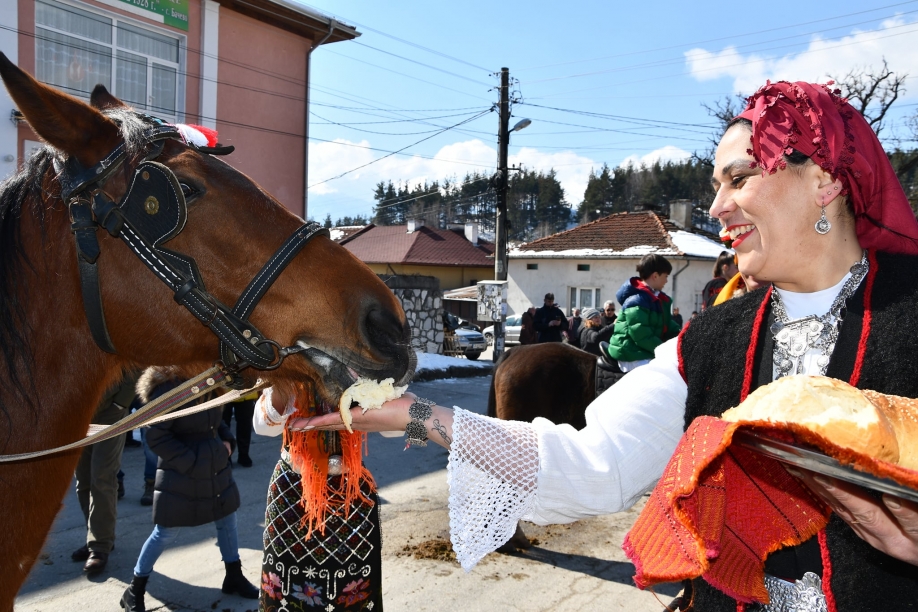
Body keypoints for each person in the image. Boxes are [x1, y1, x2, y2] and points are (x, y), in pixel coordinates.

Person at [293, 80, 918, 611]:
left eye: (741, 177)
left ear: (826, 181)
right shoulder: (717, 336)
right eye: (715, 183)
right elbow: (598, 465)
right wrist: (419, 416)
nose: (717, 206)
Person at [121, 368, 258, 612]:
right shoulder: (168, 388)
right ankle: (135, 589)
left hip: (215, 468)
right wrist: (192, 462)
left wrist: (227, 440)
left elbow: (218, 420)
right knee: (165, 532)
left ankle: (233, 576)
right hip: (182, 473)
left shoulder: (209, 379)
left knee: (227, 521)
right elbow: (156, 437)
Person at [253, 385, 384, 611]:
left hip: (350, 492)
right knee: (284, 588)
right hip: (293, 491)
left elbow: (395, 429)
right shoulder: (293, 358)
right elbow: (263, 427)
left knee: (352, 590)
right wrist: (286, 378)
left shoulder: (360, 362)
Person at [72, 372, 140, 575]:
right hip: (79, 411)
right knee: (82, 480)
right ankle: (94, 537)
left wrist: (121, 403)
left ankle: (100, 545)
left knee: (102, 477)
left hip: (111, 411)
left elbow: (135, 364)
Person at [606, 253, 681, 372]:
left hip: (642, 350)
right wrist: (663, 349)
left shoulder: (657, 299)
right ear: (655, 276)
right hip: (630, 352)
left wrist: (683, 334)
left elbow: (666, 324)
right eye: (665, 276)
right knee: (658, 374)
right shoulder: (637, 301)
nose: (667, 280)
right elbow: (641, 335)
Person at [222, 390, 259, 467]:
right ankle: (225, 456)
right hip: (224, 390)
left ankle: (244, 454)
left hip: (246, 390)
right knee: (223, 425)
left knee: (245, 424)